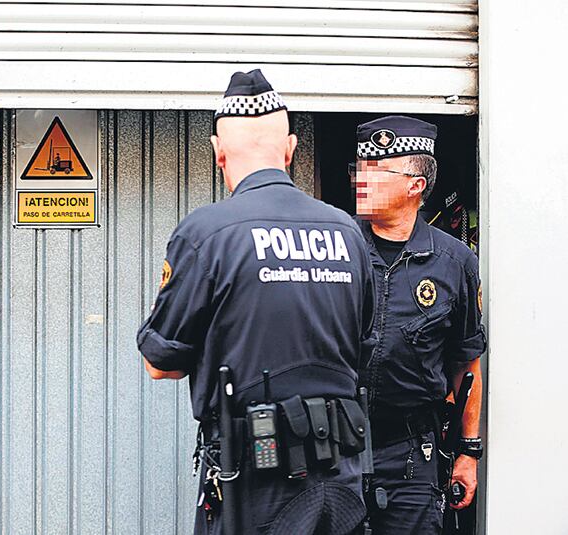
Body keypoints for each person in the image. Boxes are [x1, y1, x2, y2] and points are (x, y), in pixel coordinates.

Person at [137, 69, 376, 535]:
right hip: (342, 480)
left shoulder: (207, 233)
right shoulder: (347, 231)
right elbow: (364, 346)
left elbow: (159, 362)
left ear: (218, 151)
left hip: (255, 485)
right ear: (289, 149)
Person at [350, 116, 486, 534]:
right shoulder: (337, 247)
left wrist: (468, 452)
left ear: (415, 185)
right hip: (336, 451)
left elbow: (467, 363)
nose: (361, 180)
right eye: (359, 169)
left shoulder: (454, 261)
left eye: (377, 171)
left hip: (411, 456)